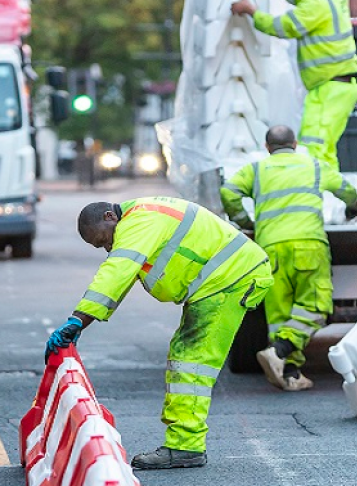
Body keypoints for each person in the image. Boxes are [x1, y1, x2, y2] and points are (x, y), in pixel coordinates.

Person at [45, 196, 272, 469]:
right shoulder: (142, 218)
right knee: (185, 355)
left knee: (192, 361)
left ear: (110, 216)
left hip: (228, 280)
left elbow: (117, 271)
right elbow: (124, 278)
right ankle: (184, 443)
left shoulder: (139, 222)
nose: (107, 247)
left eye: (103, 240)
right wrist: (82, 321)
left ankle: (185, 447)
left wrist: (77, 321)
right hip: (224, 280)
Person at [220, 125, 357, 391]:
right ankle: (280, 350)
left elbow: (229, 192)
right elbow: (347, 190)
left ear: (267, 147)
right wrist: (353, 209)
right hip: (308, 245)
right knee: (317, 306)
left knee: (280, 315)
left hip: (269, 249)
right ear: (295, 144)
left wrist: (244, 221)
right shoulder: (314, 166)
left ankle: (291, 372)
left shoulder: (256, 170)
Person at [230, 0, 357, 170]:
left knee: (313, 145)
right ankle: (330, 190)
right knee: (324, 147)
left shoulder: (315, 5)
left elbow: (283, 27)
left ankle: (318, 189)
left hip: (330, 87)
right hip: (337, 85)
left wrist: (251, 11)